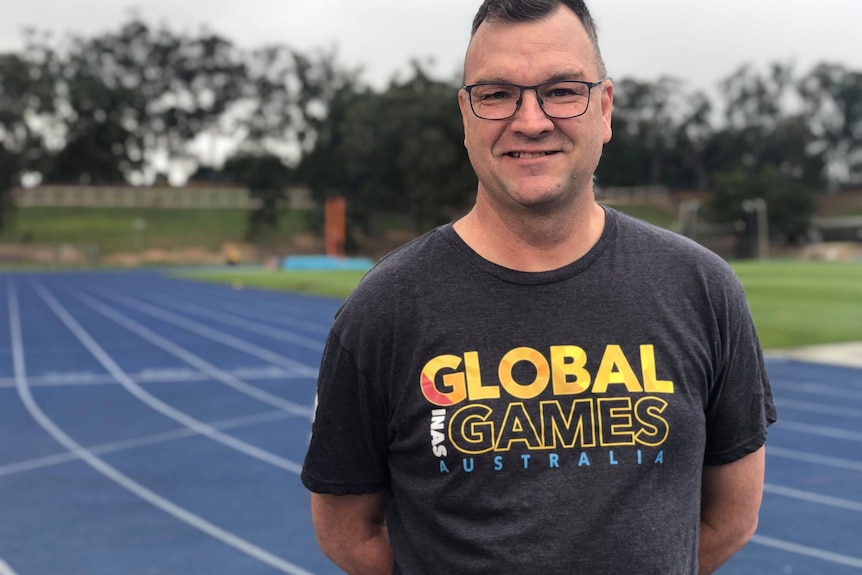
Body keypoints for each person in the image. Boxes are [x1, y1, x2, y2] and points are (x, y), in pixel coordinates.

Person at [301, 0, 777, 573]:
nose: (530, 121)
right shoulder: (384, 309)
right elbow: (346, 532)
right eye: (497, 93)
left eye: (562, 89)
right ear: (466, 115)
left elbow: (732, 518)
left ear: (604, 107)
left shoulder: (702, 290)